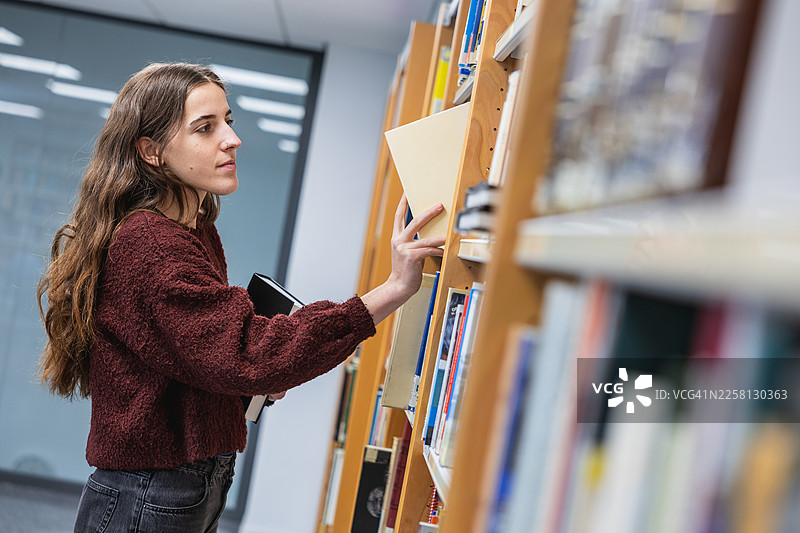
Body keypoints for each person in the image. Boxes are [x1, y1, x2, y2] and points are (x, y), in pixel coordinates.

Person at [36, 62, 445, 533]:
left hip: (187, 482)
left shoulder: (195, 227)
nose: (231, 138)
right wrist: (392, 290)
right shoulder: (149, 243)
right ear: (151, 151)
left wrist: (243, 381)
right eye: (205, 128)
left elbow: (201, 356)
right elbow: (246, 351)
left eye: (228, 121)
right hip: (150, 492)